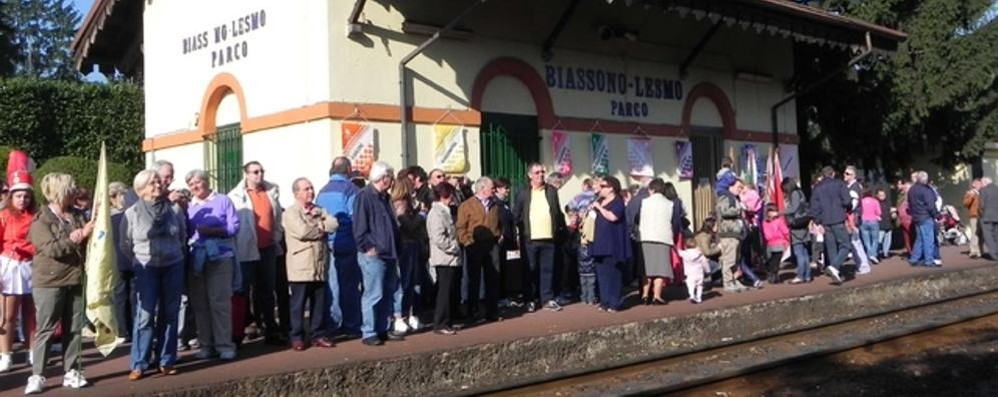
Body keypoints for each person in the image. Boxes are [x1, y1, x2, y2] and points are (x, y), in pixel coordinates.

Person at [26, 173, 94, 394]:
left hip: (75, 278)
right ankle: (37, 374)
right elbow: (53, 249)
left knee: (74, 329)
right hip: (49, 281)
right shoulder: (40, 221)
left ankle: (72, 370)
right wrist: (78, 236)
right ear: (59, 192)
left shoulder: (77, 215)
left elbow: (89, 240)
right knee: (46, 329)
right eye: (71, 188)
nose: (75, 191)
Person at [119, 170, 188, 380]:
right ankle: (139, 362)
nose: (157, 185)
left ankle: (166, 360)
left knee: (170, 313)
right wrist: (139, 259)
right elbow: (125, 243)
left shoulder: (174, 209)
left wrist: (174, 253)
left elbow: (183, 236)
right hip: (146, 267)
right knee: (145, 316)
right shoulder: (132, 213)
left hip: (173, 264)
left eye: (158, 181)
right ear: (141, 190)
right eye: (152, 183)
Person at [228, 161, 286, 345]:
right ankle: (242, 330)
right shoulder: (236, 196)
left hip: (268, 248)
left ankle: (271, 329)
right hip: (246, 249)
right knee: (243, 290)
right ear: (246, 174)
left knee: (267, 291)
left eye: (261, 171)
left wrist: (276, 237)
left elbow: (277, 218)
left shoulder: (270, 192)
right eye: (255, 172)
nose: (259, 175)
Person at [184, 169, 239, 361]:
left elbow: (234, 226)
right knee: (200, 304)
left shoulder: (223, 200)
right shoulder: (189, 207)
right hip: (197, 258)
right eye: (191, 185)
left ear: (207, 182)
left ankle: (225, 345)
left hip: (221, 257)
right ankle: (206, 345)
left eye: (198, 182)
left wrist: (215, 231)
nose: (195, 187)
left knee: (220, 302)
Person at [282, 177, 338, 351]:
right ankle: (297, 336)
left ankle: (318, 335)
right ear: (296, 193)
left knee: (319, 302)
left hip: (319, 265)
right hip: (300, 266)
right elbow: (302, 231)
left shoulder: (319, 210)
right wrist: (321, 226)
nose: (310, 192)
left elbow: (334, 223)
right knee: (298, 304)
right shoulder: (290, 213)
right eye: (306, 189)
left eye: (311, 188)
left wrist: (319, 220)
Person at [353, 162, 403, 346]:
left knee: (388, 292)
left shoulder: (385, 197)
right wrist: (367, 247)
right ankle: (369, 331)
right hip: (374, 253)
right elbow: (359, 226)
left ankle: (382, 328)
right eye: (390, 176)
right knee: (373, 293)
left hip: (389, 252)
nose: (392, 180)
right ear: (384, 177)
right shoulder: (364, 196)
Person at [316, 157, 362, 339]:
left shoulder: (322, 191)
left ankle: (334, 323)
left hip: (328, 243)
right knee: (349, 286)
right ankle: (351, 325)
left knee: (332, 285)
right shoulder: (351, 190)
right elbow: (357, 218)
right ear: (349, 170)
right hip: (347, 242)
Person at [513, 162, 566, 312]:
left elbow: (557, 212)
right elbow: (516, 215)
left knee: (547, 270)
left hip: (549, 238)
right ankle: (529, 299)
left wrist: (561, 231)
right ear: (530, 175)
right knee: (530, 270)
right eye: (537, 173)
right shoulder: (523, 193)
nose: (541, 175)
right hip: (530, 239)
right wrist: (518, 234)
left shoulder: (551, 191)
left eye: (542, 172)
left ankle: (547, 299)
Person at [0, 169, 36, 372]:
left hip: (31, 266)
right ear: (11, 196)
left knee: (32, 314)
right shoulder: (3, 216)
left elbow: (39, 243)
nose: (22, 200)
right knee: (8, 314)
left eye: (26, 196)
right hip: (9, 266)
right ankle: (6, 355)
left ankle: (32, 351)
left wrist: (26, 248)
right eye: (18, 196)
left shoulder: (36, 216)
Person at [456, 177, 502, 322]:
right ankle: (472, 311)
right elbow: (460, 227)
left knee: (493, 278)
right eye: (492, 188)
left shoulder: (495, 204)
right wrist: (467, 243)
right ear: (482, 189)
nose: (494, 190)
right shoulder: (466, 205)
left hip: (492, 245)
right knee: (473, 279)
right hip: (474, 245)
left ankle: (492, 311)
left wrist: (499, 235)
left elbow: (500, 222)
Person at [589, 176, 631, 313]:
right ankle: (604, 301)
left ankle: (614, 302)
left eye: (603, 186)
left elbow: (613, 217)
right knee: (602, 274)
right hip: (599, 243)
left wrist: (600, 209)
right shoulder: (600, 200)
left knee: (613, 274)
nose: (599, 189)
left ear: (611, 188)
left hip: (613, 244)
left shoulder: (617, 201)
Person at [390, 176, 425, 333]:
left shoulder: (405, 204)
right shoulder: (401, 204)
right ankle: (401, 315)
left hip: (411, 245)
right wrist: (421, 214)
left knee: (412, 281)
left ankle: (409, 314)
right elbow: (408, 225)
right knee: (406, 282)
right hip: (406, 246)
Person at [426, 183, 460, 335]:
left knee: (449, 290)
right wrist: (453, 247)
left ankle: (447, 321)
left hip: (450, 258)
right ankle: (440, 324)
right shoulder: (436, 213)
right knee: (444, 292)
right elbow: (438, 237)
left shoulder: (444, 211)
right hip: (444, 258)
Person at [810, 166, 852, 285]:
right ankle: (834, 267)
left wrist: (818, 221)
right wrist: (848, 208)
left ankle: (836, 273)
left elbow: (814, 207)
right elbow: (847, 201)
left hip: (825, 221)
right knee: (845, 245)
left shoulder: (817, 188)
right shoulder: (840, 184)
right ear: (833, 174)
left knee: (831, 248)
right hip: (838, 218)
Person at [636, 178, 674, 305]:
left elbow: (637, 218)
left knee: (646, 269)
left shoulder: (644, 202)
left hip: (646, 237)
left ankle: (645, 295)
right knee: (660, 269)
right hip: (663, 238)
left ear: (651, 189)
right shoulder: (669, 203)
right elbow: (674, 221)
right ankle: (657, 296)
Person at [108, 181, 134, 344]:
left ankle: (130, 328)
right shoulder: (109, 216)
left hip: (131, 257)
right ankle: (123, 329)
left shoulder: (130, 212)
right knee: (120, 295)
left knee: (133, 295)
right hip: (118, 258)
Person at [717, 179, 749, 292]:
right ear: (730, 186)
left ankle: (735, 280)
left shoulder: (735, 198)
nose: (740, 190)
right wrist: (739, 210)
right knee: (729, 260)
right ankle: (728, 283)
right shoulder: (725, 197)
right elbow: (724, 211)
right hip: (728, 233)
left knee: (735, 260)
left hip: (736, 233)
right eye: (738, 187)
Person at [907, 171, 940, 267]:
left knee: (919, 238)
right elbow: (931, 205)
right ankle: (929, 260)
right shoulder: (926, 190)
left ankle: (914, 258)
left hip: (916, 217)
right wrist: (936, 215)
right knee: (928, 239)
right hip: (926, 216)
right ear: (925, 179)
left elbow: (910, 203)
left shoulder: (912, 189)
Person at [782, 177, 812, 284]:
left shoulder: (794, 194)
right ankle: (807, 275)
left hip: (797, 225)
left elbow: (793, 209)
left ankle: (800, 275)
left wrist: (781, 212)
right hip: (803, 223)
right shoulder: (800, 193)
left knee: (799, 251)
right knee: (804, 252)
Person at [494, 177, 517, 306]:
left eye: (508, 188)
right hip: (499, 241)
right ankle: (499, 297)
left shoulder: (505, 204)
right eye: (505, 188)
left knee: (505, 268)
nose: (507, 191)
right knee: (499, 268)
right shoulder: (495, 203)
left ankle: (503, 295)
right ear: (497, 189)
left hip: (507, 241)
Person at [762, 204, 790, 284]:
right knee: (774, 260)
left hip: (778, 243)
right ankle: (773, 274)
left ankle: (773, 275)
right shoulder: (766, 222)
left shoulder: (778, 220)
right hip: (773, 243)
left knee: (775, 260)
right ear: (768, 212)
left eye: (776, 211)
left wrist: (787, 239)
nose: (776, 212)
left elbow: (785, 230)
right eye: (773, 211)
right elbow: (767, 234)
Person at [677, 237, 710, 304]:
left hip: (690, 274)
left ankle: (692, 295)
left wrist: (674, 246)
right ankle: (699, 298)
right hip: (700, 273)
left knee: (690, 285)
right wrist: (708, 271)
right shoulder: (700, 254)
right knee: (700, 286)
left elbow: (678, 252)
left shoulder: (685, 254)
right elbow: (705, 263)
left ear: (685, 246)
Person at [976, 177, 998, 260]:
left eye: (981, 183)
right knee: (997, 235)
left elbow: (981, 205)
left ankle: (994, 255)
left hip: (986, 217)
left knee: (988, 236)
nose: (981, 185)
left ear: (985, 182)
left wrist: (981, 214)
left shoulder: (983, 191)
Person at [859, 189, 882, 264]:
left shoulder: (861, 202)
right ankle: (873, 254)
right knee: (875, 239)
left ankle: (869, 254)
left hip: (863, 221)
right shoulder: (875, 201)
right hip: (873, 220)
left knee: (866, 240)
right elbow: (879, 212)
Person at [964, 179, 983, 259]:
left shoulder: (981, 193)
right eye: (978, 184)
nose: (980, 186)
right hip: (974, 215)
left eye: (980, 184)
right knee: (975, 233)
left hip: (982, 216)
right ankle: (973, 251)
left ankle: (980, 250)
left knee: (981, 234)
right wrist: (971, 196)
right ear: (973, 185)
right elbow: (965, 203)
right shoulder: (970, 193)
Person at [877, 188, 894, 260]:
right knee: (879, 240)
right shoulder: (876, 203)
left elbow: (891, 211)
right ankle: (876, 253)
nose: (882, 196)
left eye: (883, 195)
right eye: (880, 195)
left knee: (888, 240)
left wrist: (893, 213)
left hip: (888, 223)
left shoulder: (888, 203)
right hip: (880, 224)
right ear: (877, 195)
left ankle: (885, 253)